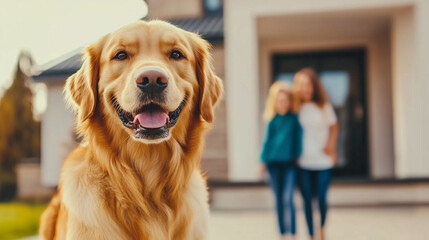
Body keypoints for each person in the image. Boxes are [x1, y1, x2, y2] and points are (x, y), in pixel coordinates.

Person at [293, 68, 339, 240]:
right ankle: (312, 235)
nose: (304, 88)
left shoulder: (324, 107)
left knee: (321, 199)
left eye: (307, 84)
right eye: (300, 84)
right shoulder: (296, 108)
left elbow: (334, 127)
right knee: (306, 201)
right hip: (303, 162)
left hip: (323, 161)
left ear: (314, 86)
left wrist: (331, 146)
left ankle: (322, 229)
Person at [260, 81, 303, 240]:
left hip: (290, 164)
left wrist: (298, 155)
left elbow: (298, 140)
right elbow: (267, 142)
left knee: (288, 199)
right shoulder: (273, 120)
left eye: (286, 101)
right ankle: (282, 234)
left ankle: (292, 234)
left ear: (290, 102)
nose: (283, 104)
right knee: (278, 200)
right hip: (273, 164)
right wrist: (262, 160)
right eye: (280, 101)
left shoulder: (294, 119)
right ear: (275, 102)